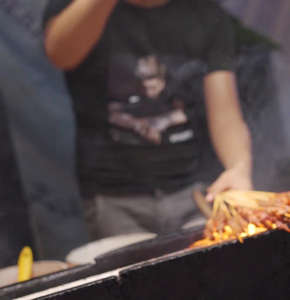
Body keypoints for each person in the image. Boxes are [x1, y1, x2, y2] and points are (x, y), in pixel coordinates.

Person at [43, 0, 253, 239]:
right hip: (113, 197)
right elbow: (59, 53)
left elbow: (225, 111)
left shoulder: (204, 12)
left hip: (194, 190)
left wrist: (239, 168)